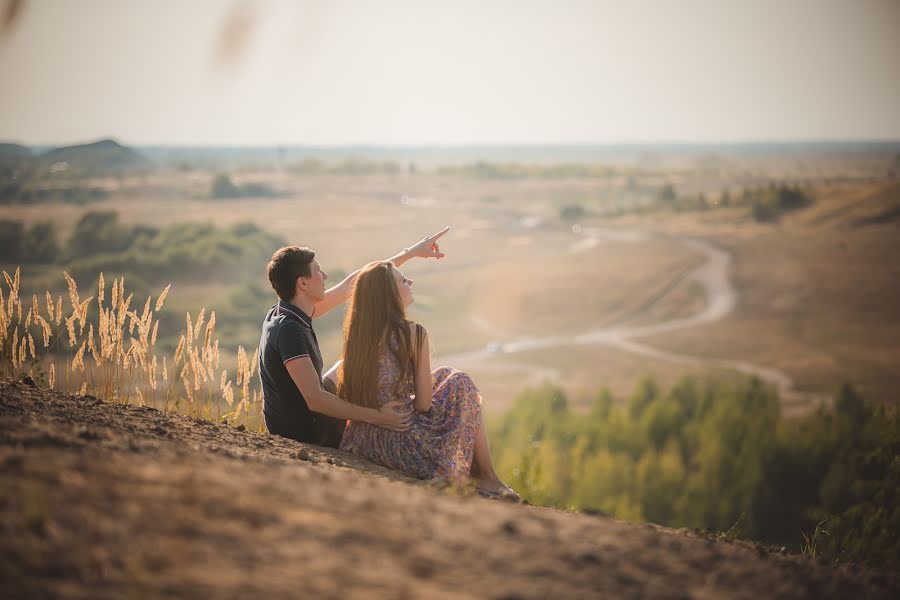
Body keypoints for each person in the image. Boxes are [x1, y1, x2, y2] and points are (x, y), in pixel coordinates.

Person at [336, 260, 518, 499]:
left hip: (361, 439)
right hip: (398, 441)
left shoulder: (357, 334)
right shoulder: (412, 333)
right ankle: (486, 475)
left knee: (443, 375)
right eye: (403, 280)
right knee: (461, 382)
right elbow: (423, 405)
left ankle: (484, 474)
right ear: (389, 293)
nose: (409, 282)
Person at [259, 228, 449, 448]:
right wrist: (376, 416)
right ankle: (398, 413)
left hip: (295, 419)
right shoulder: (289, 330)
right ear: (303, 283)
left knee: (349, 364)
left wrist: (410, 253)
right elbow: (314, 398)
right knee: (361, 368)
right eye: (318, 271)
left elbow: (352, 285)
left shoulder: (287, 310)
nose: (325, 276)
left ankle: (398, 403)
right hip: (307, 432)